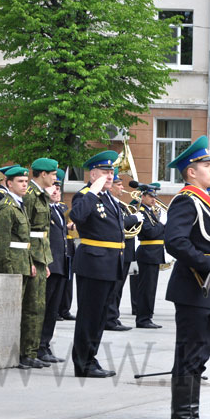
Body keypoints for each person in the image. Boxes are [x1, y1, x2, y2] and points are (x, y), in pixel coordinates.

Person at [165, 135, 210, 419]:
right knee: (190, 358)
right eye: (206, 165)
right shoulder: (186, 200)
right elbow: (175, 242)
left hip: (207, 290)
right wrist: (207, 263)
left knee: (199, 357)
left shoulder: (206, 201)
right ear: (191, 172)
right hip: (193, 286)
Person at [69, 151, 124, 378]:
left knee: (100, 317)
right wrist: (92, 191)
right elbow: (78, 216)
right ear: (93, 175)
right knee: (89, 316)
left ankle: (90, 358)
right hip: (94, 264)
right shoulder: (85, 196)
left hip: (110, 264)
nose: (110, 176)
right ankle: (83, 363)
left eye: (111, 172)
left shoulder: (109, 197)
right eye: (104, 172)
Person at [0, 167, 46, 369]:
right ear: (9, 184)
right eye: (20, 182)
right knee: (11, 313)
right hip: (12, 266)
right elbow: (1, 242)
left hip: (23, 263)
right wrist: (7, 270)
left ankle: (25, 354)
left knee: (28, 309)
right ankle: (10, 355)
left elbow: (25, 241)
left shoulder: (19, 204)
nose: (25, 185)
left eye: (25, 181)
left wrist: (31, 262)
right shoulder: (6, 207)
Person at [22, 158, 58, 364]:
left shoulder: (41, 195)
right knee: (32, 307)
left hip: (41, 256)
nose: (54, 177)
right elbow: (23, 230)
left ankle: (33, 351)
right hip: (32, 257)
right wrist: (30, 261)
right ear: (43, 174)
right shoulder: (30, 195)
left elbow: (44, 233)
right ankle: (27, 352)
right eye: (52, 174)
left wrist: (45, 261)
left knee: (39, 307)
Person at [105, 171, 142, 331]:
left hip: (125, 250)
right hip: (116, 249)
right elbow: (118, 223)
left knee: (119, 288)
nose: (122, 187)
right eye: (119, 185)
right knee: (114, 288)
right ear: (111, 187)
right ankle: (110, 318)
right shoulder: (111, 204)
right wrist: (135, 218)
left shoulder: (121, 205)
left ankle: (114, 316)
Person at [38, 170, 68, 362]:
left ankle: (46, 345)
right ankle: (39, 347)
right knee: (45, 307)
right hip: (50, 265)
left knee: (53, 310)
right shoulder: (45, 210)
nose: (56, 191)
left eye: (58, 188)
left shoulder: (58, 210)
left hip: (60, 265)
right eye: (53, 188)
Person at [135, 184, 166, 329]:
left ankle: (147, 317)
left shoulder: (150, 212)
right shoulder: (141, 212)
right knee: (146, 289)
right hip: (148, 253)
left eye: (155, 197)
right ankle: (143, 319)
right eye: (150, 196)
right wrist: (162, 224)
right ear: (143, 197)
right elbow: (151, 232)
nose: (154, 199)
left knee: (150, 288)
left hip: (153, 253)